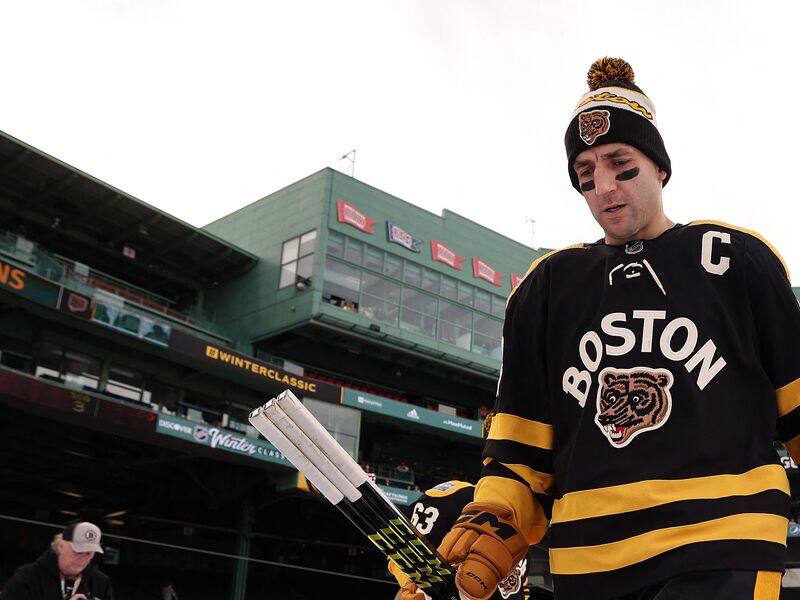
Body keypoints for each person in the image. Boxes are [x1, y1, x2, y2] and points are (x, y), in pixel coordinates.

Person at [404, 57, 800, 600]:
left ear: (660, 167)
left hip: (723, 541)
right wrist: (497, 518)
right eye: (586, 176)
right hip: (586, 564)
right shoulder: (546, 288)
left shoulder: (735, 260)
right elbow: (522, 451)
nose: (605, 188)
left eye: (622, 166)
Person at [389, 479, 537, 600]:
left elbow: (516, 588)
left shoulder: (525, 533)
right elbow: (407, 557)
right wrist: (421, 586)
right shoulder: (458, 495)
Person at [2, 522, 113, 600]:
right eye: (78, 551)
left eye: (89, 553)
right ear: (60, 546)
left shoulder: (101, 583)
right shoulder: (28, 577)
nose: (83, 558)